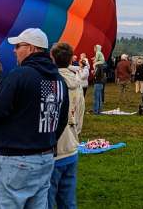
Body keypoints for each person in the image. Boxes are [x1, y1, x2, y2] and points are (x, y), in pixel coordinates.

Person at [0, 28, 69, 208]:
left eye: (17, 46)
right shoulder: (58, 80)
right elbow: (61, 120)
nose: (14, 50)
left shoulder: (20, 75)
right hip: (45, 157)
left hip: (16, 159)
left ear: (31, 48)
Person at [50, 42, 85, 209]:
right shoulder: (77, 83)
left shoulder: (49, 81)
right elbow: (80, 113)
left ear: (52, 58)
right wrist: (75, 131)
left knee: (47, 200)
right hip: (71, 145)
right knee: (68, 201)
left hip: (53, 148)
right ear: (71, 59)